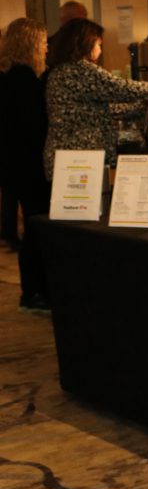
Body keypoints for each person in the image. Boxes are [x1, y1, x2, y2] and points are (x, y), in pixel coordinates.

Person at [44, 18, 148, 181]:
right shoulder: (82, 70)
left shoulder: (61, 70)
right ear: (86, 44)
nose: (100, 50)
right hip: (79, 156)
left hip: (65, 154)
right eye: (98, 45)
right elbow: (122, 89)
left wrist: (146, 110)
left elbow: (100, 109)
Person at [0, 18, 52, 312]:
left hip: (14, 165)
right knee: (36, 226)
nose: (46, 48)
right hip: (29, 165)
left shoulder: (7, 77)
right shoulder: (25, 81)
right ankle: (34, 291)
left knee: (32, 226)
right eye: (43, 43)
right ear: (31, 44)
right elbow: (34, 128)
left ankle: (32, 290)